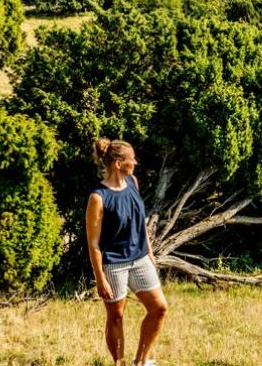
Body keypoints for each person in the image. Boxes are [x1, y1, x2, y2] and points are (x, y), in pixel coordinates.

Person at [87, 137, 167, 366]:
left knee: (159, 308)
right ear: (117, 163)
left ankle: (140, 362)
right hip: (114, 264)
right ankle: (119, 363)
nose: (136, 162)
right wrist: (100, 278)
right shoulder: (98, 197)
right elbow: (93, 243)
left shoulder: (132, 182)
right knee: (116, 317)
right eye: (131, 158)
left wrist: (149, 254)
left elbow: (139, 222)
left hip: (140, 258)